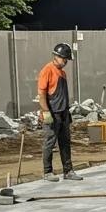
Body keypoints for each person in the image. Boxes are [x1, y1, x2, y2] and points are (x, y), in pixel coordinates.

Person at [36, 42, 81, 181]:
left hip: (63, 112)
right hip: (52, 113)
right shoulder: (47, 70)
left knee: (65, 142)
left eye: (67, 59)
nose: (65, 61)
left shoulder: (62, 73)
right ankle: (47, 172)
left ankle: (68, 171)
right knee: (50, 142)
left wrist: (67, 113)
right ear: (56, 56)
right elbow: (42, 94)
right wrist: (46, 112)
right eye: (64, 58)